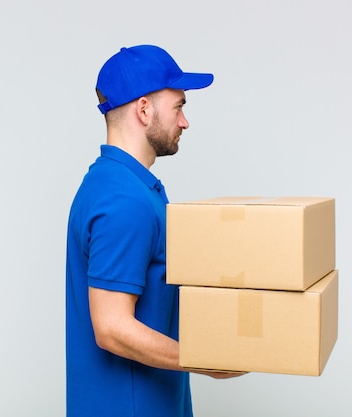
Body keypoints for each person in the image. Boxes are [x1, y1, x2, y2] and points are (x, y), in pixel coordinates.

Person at [65, 45, 245, 417]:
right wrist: (206, 360)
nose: (184, 121)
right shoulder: (123, 200)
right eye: (178, 106)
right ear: (144, 109)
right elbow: (112, 327)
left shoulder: (125, 186)